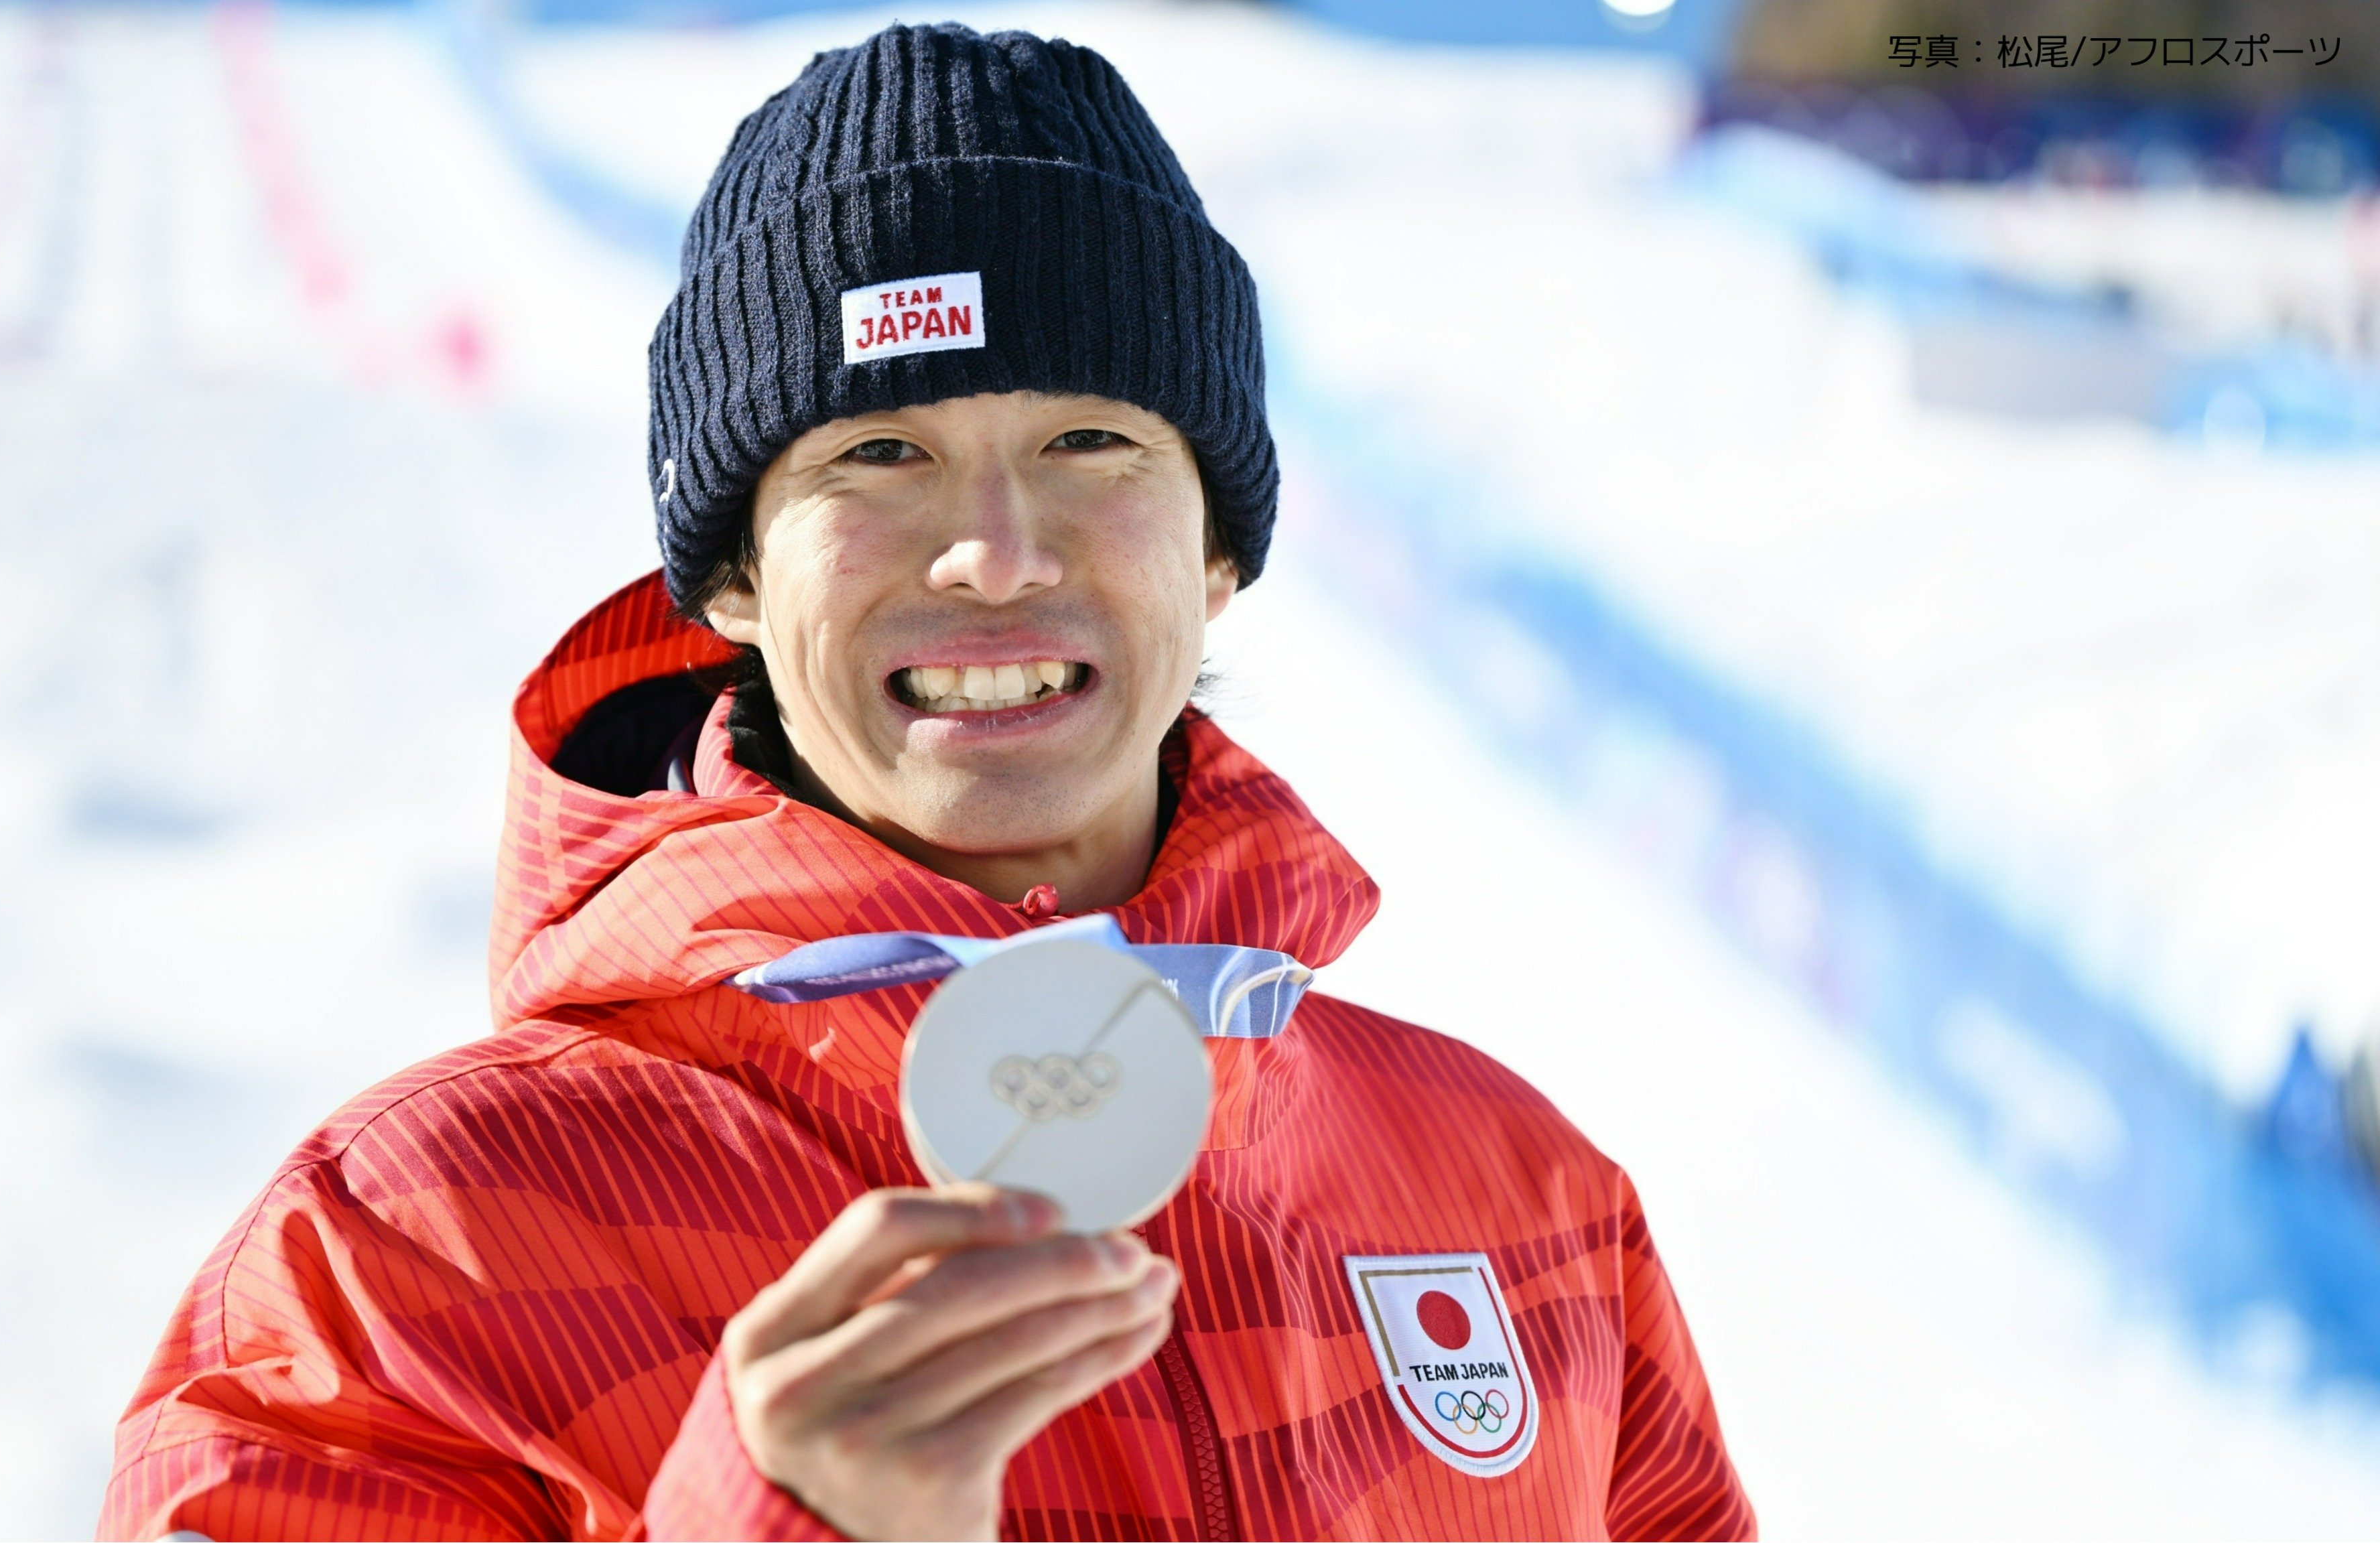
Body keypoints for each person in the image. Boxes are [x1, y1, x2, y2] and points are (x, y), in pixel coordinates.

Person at [100, 22, 1754, 1542]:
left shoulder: (1512, 1188)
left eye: (1089, 442)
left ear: (1219, 548)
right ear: (733, 580)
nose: (992, 553)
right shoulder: (409, 1252)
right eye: (876, 455)